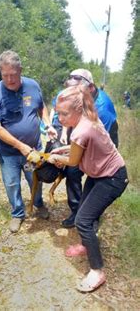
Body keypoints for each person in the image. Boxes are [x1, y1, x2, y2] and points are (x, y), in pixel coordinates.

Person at [47, 85, 128, 292]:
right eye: (58, 112)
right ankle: (86, 245)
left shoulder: (81, 130)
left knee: (82, 220)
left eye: (64, 114)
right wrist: (63, 148)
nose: (60, 118)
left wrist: (55, 157)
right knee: (85, 211)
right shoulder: (89, 118)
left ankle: (97, 271)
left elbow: (73, 162)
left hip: (112, 178)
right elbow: (79, 148)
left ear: (78, 110)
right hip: (98, 173)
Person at [0, 50, 57, 233]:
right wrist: (21, 147)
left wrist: (47, 124)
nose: (9, 79)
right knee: (11, 183)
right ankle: (18, 213)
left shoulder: (33, 86)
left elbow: (41, 108)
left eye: (13, 75)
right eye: (5, 75)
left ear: (20, 70)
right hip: (9, 154)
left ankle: (38, 204)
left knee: (35, 179)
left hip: (34, 149)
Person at [50, 69, 119, 228]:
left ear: (91, 88)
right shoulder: (72, 95)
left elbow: (98, 144)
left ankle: (91, 219)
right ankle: (76, 212)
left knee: (96, 176)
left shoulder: (103, 109)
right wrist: (66, 134)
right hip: (80, 136)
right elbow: (64, 113)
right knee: (72, 172)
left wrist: (67, 158)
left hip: (102, 145)